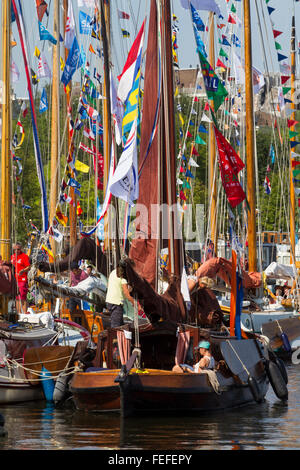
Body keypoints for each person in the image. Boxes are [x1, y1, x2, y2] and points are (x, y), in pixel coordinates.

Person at [106, 263, 135, 328]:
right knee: (116, 327)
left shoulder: (112, 272)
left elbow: (108, 285)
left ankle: (122, 337)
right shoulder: (123, 277)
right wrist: (135, 304)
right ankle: (114, 337)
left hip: (109, 301)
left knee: (120, 325)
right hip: (116, 303)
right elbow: (126, 292)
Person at [10, 242, 30, 314]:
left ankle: (24, 313)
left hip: (22, 279)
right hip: (14, 280)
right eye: (15, 249)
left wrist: (23, 270)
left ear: (20, 249)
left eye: (18, 249)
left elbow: (29, 267)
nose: (16, 251)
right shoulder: (12, 257)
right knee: (17, 298)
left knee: (22, 297)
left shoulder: (24, 256)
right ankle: (18, 313)